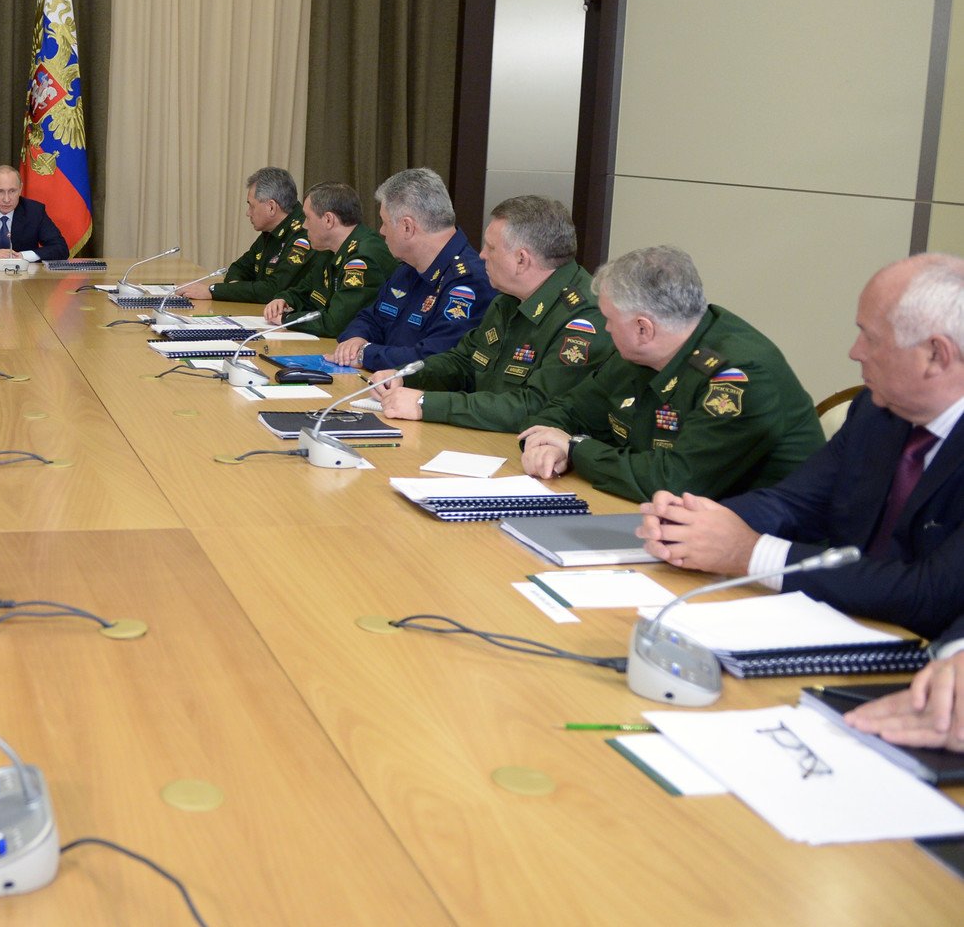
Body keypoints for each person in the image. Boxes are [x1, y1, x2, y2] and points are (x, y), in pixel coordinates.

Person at [637, 255, 964, 647]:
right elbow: (795, 504)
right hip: (837, 625)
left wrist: (749, 553)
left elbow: (929, 592)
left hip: (932, 658)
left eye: (872, 338)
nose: (855, 351)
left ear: (936, 355)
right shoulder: (876, 413)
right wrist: (691, 521)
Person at [519, 245, 822, 501]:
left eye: (609, 319)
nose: (606, 328)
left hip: (764, 540)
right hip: (668, 520)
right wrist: (546, 446)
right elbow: (568, 409)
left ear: (643, 329)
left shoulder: (739, 376)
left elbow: (676, 481)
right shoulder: (640, 353)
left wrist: (576, 450)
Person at [369, 195, 614, 430]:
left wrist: (427, 404)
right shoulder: (508, 299)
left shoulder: (584, 317)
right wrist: (405, 375)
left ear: (521, 259)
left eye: (491, 247)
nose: (482, 255)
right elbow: (463, 362)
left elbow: (537, 407)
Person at [330, 168, 494, 371]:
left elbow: (434, 359)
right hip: (382, 381)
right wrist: (356, 338)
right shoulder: (408, 268)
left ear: (407, 227)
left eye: (384, 222)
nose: (381, 231)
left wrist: (366, 354)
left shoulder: (469, 282)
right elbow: (371, 317)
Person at [262, 182, 395, 338]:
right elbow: (305, 290)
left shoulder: (363, 258)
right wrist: (284, 300)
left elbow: (336, 324)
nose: (304, 225)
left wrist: (286, 319)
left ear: (328, 220)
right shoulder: (330, 249)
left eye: (308, 218)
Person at [176, 167, 320, 302]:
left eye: (251, 206)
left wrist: (214, 291)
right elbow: (239, 268)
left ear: (271, 207)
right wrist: (233, 289)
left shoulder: (303, 234)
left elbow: (274, 290)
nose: (248, 213)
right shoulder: (273, 229)